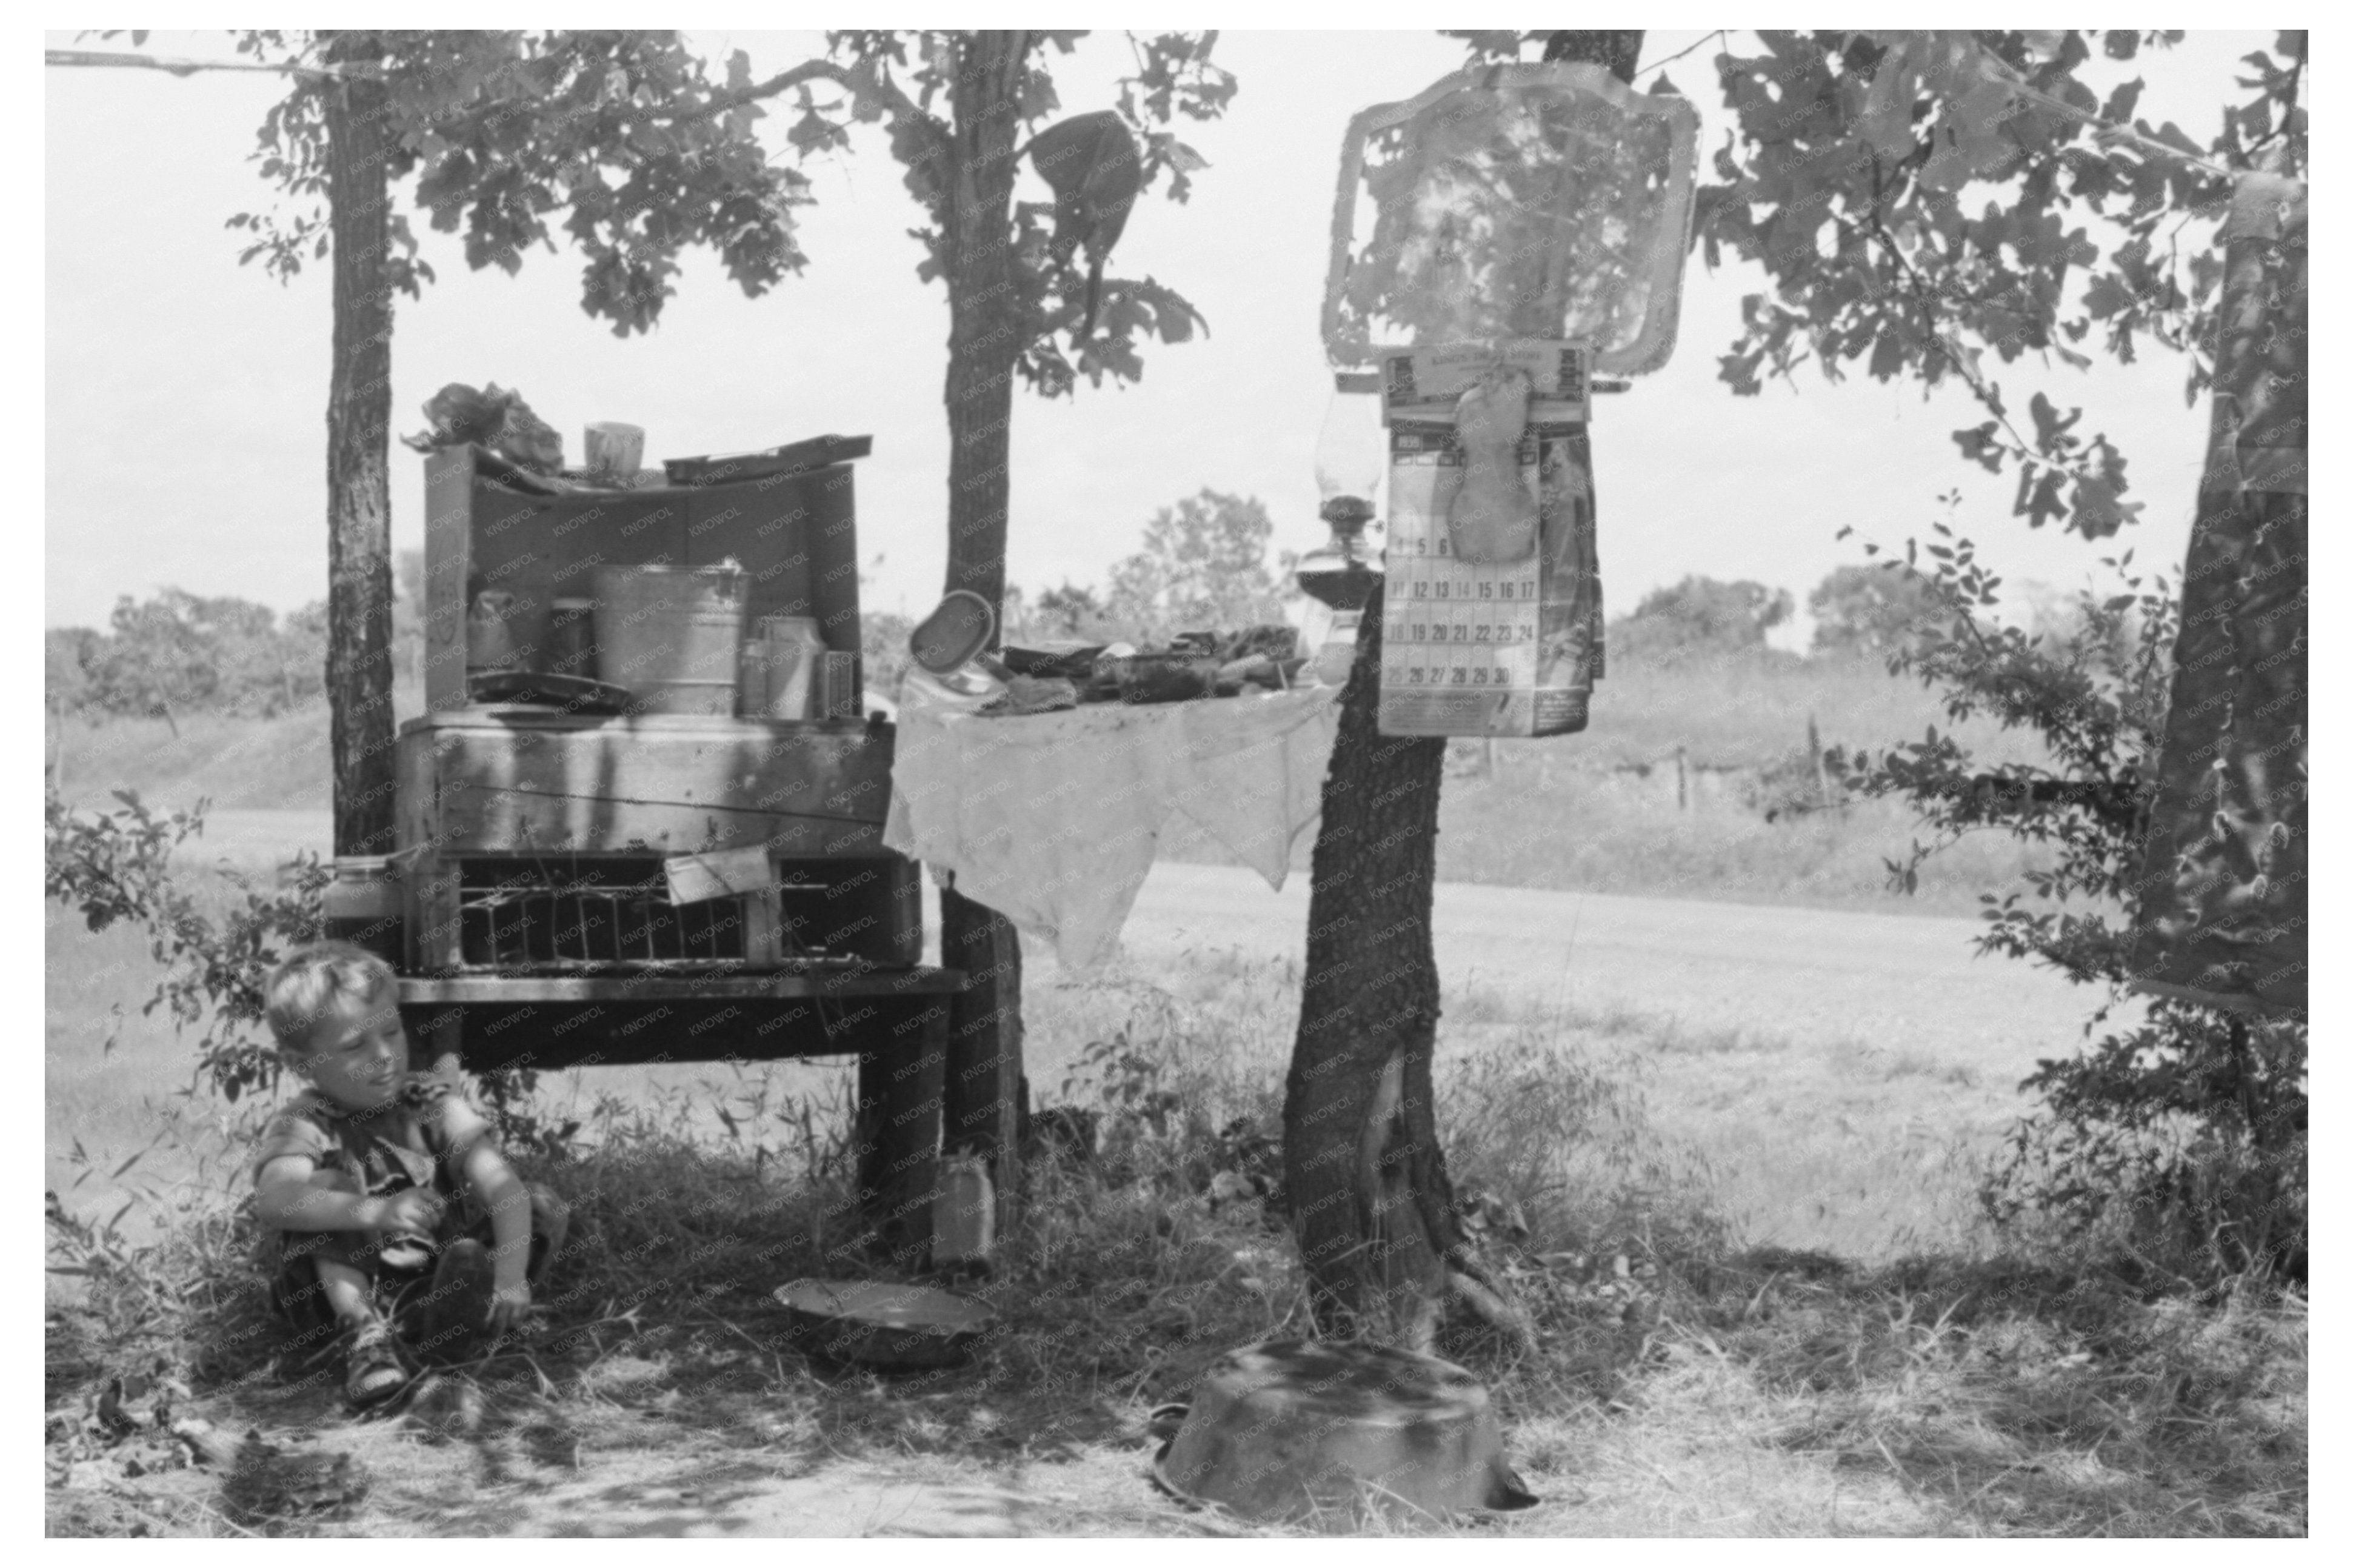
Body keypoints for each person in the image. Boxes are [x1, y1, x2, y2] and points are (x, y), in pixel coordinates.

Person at [252, 942, 569, 1408]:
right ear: (302, 1064)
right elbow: (275, 1199)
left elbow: (502, 1185)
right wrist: (375, 1211)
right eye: (355, 1045)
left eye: (392, 1032)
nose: (385, 1056)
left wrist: (511, 1273)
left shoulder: (428, 1100)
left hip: (431, 1275)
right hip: (335, 1296)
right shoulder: (306, 1120)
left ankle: (452, 1320)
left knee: (542, 1205)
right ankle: (367, 1342)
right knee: (323, 1188)